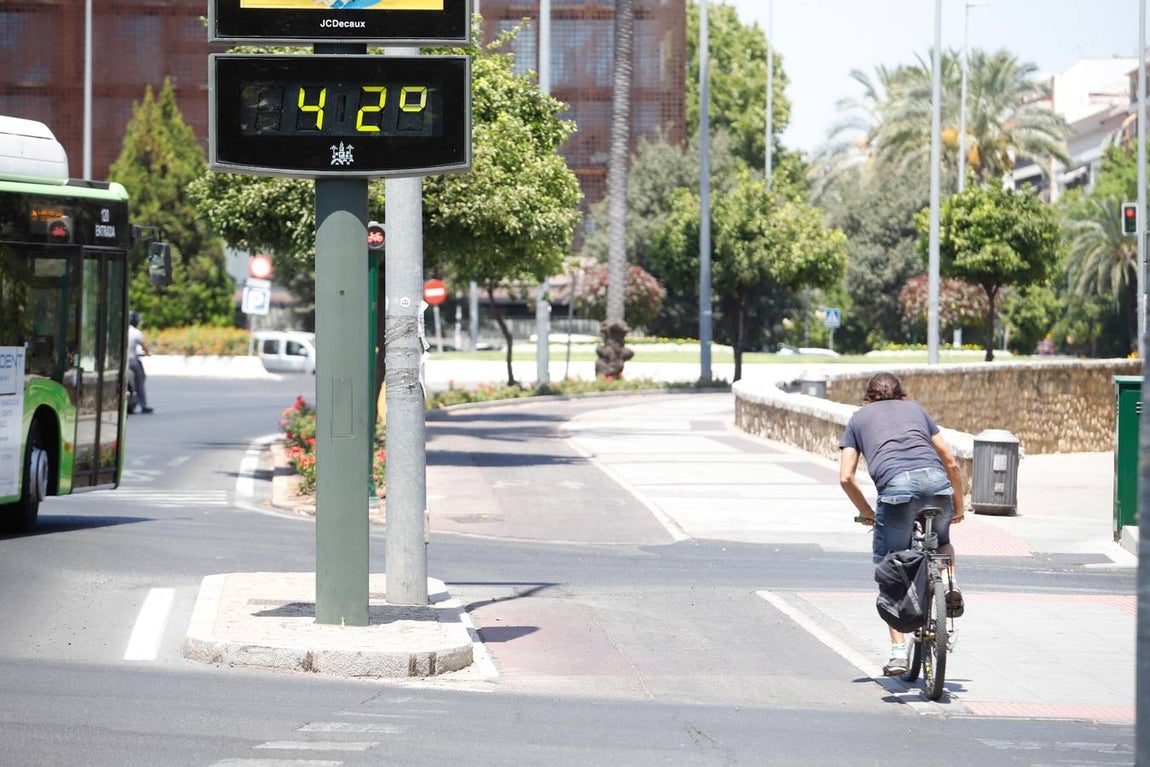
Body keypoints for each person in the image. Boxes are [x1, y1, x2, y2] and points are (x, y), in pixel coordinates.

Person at [838, 371, 964, 676]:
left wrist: (869, 512)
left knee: (893, 567)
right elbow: (950, 460)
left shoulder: (858, 419)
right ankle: (949, 583)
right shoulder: (916, 410)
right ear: (901, 394)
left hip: (896, 493)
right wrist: (958, 504)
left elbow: (846, 477)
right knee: (942, 540)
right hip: (937, 486)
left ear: (868, 397)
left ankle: (897, 653)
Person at [127, 311, 153, 414]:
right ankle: (143, 405)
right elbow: (145, 347)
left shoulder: (119, 331)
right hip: (132, 362)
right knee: (140, 381)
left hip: (119, 363)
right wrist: (147, 353)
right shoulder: (136, 332)